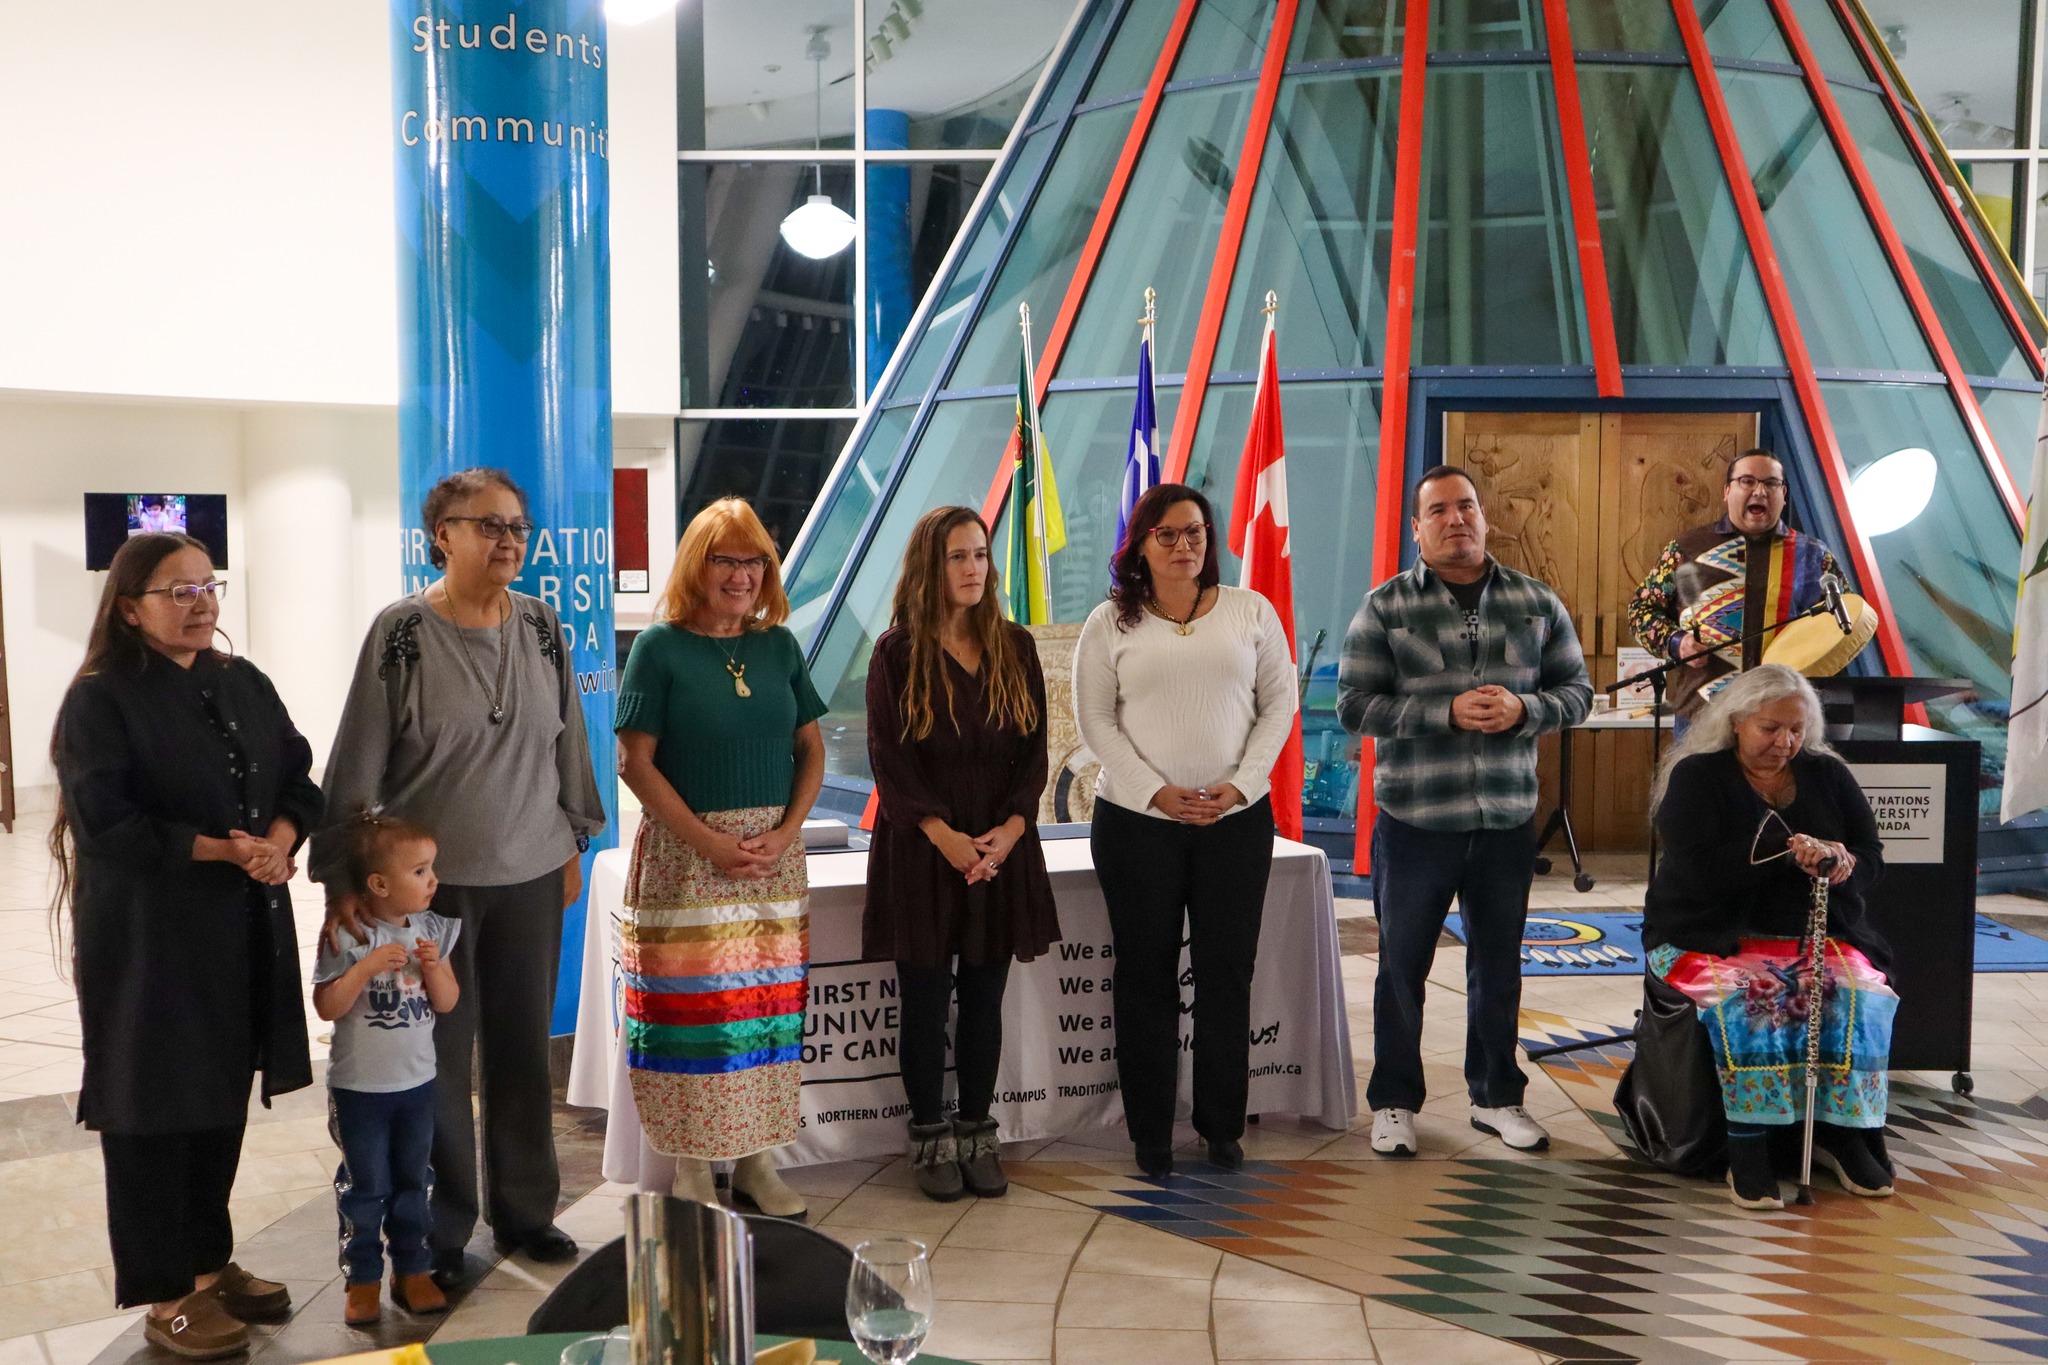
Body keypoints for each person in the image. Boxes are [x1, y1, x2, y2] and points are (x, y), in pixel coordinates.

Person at [313, 467, 607, 1283]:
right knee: (434, 1055)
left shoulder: (542, 625)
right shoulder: (402, 632)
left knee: (521, 1049)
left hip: (532, 872)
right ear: (443, 535)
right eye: (489, 525)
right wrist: (344, 876)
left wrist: (574, 839)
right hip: (425, 889)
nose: (509, 540)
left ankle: (527, 1210)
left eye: (517, 526)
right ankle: (439, 1228)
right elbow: (358, 759)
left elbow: (568, 741)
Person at [50, 533, 324, 1359]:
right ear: (130, 608)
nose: (200, 602)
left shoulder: (241, 680)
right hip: (149, 940)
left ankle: (207, 1262)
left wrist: (278, 840)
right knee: (153, 1106)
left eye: (209, 585)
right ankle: (166, 1294)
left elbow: (297, 775)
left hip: (239, 929)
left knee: (218, 1095)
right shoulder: (100, 699)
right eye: (178, 590)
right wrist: (223, 850)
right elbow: (107, 822)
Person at [1337, 465, 1591, 1159]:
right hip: (1416, 820)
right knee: (1401, 968)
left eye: (1468, 507)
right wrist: (1442, 711)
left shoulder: (1535, 600)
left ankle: (1496, 1097)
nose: (1457, 519)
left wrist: (1525, 708)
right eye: (1440, 510)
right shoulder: (1385, 607)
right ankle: (1394, 1102)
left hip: (1506, 819)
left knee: (1499, 966)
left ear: (1485, 518)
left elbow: (1577, 692)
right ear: (1416, 529)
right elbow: (1353, 705)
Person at [1074, 483, 1297, 1178]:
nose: (1182, 545)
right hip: (1137, 825)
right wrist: (1155, 792)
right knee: (1145, 978)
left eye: (1194, 531)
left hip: (1235, 822)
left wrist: (1242, 786)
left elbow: (1279, 705)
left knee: (1227, 977)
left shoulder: (1250, 610)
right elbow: (1094, 722)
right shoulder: (1109, 623)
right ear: (1141, 544)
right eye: (1166, 534)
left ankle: (1221, 1126)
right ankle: (1151, 1134)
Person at [615, 497, 826, 1218]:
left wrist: (788, 831)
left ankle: (758, 1163)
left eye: (754, 560)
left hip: (773, 860)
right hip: (687, 859)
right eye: (725, 560)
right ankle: (694, 1167)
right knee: (694, 1019)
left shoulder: (780, 647)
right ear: (695, 567)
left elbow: (811, 748)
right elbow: (634, 762)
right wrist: (708, 841)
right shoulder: (660, 648)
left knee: (766, 1012)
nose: (741, 575)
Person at [1642, 664, 1894, 1210]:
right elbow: (1697, 871)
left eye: (1797, 730)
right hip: (1711, 934)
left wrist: (1840, 862)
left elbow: (1871, 855)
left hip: (1817, 931)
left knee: (1860, 995)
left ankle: (1844, 1132)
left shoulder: (1827, 774)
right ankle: (1748, 1141)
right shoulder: (1697, 776)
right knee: (1753, 997)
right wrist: (1785, 852)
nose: (1785, 742)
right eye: (1770, 728)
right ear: (1736, 722)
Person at [865, 506, 1058, 1202]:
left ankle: (977, 1130)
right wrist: (944, 836)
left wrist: (1012, 828)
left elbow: (1034, 752)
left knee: (983, 999)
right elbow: (889, 760)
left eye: (980, 554)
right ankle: (927, 1136)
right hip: (924, 854)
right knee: (923, 1004)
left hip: (999, 854)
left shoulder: (1015, 646)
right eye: (957, 556)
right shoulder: (895, 653)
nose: (974, 568)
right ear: (930, 565)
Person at [312, 812, 460, 1325]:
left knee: (414, 1180)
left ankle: (413, 1269)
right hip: (360, 1090)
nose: (433, 880)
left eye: (431, 868)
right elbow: (327, 1006)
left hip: (416, 1085)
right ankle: (363, 1278)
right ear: (379, 885)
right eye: (419, 871)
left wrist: (435, 968)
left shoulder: (432, 930)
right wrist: (365, 968)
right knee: (366, 1186)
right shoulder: (348, 933)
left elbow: (447, 1002)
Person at [1627, 447, 1844, 721]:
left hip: (1784, 718)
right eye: (1747, 481)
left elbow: (1842, 625)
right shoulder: (1687, 549)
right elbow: (1640, 612)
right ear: (1727, 491)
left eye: (1771, 483)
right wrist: (1677, 643)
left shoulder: (1813, 556)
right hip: (1702, 716)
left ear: (1783, 494)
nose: (1760, 491)